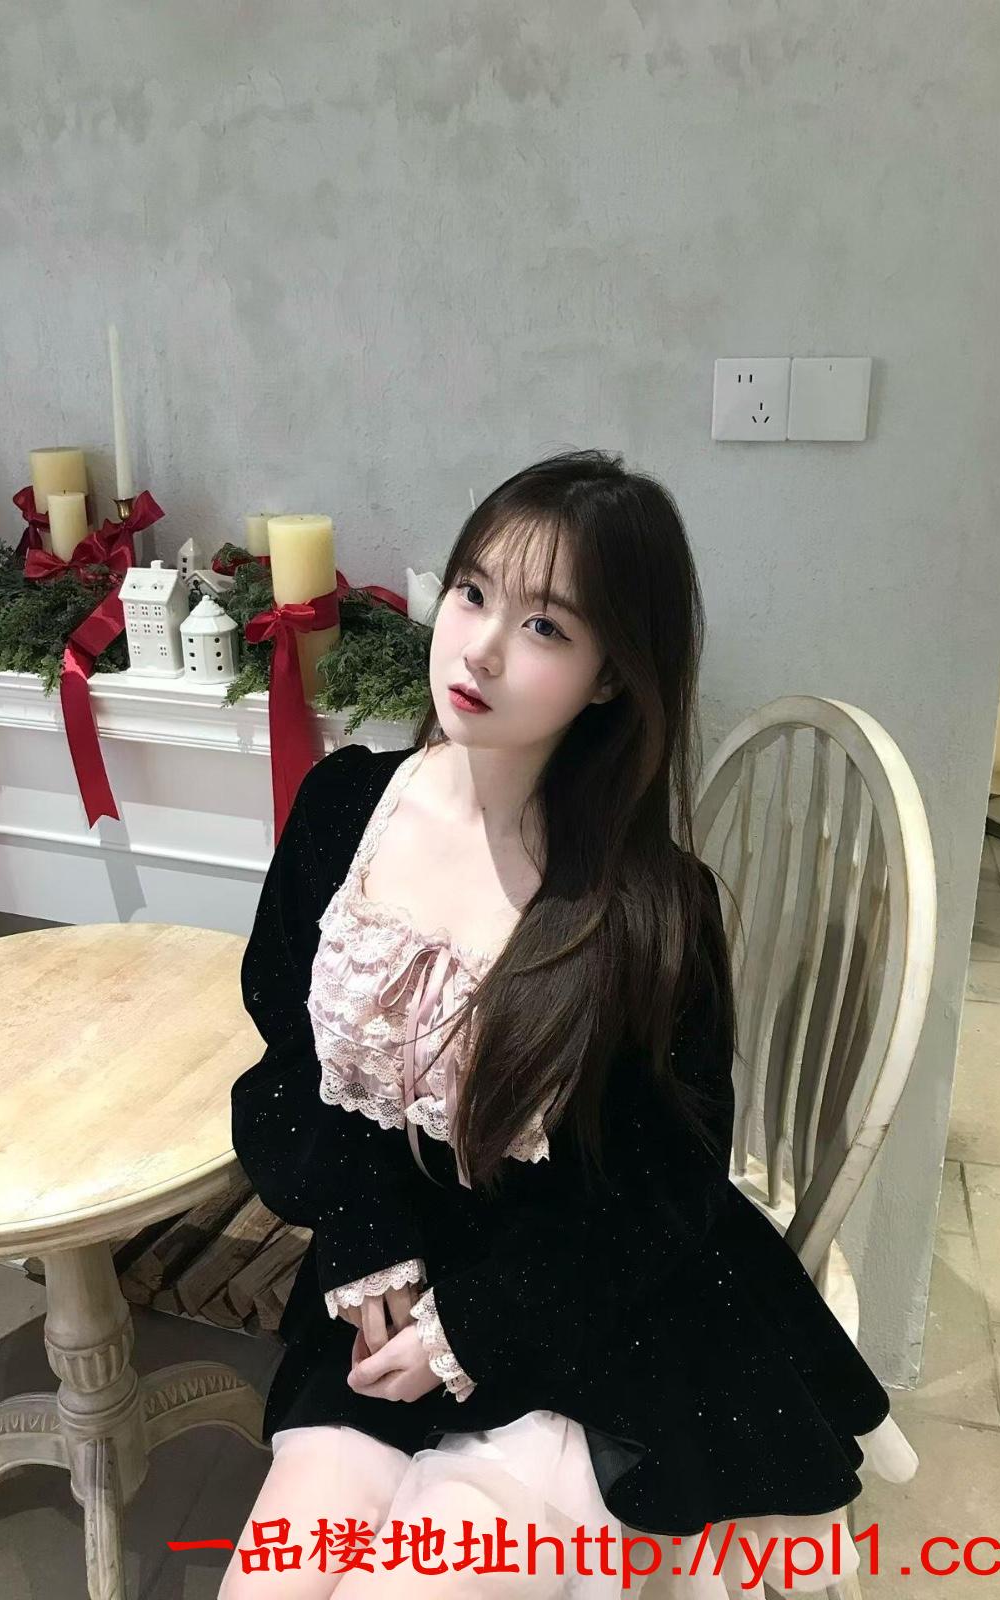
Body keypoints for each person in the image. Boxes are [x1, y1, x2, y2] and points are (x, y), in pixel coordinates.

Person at [220, 449, 918, 1599]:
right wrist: (363, 1233)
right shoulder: (345, 810)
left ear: (607, 678)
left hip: (589, 1316)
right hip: (394, 1282)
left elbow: (665, 1190)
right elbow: (293, 1064)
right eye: (472, 593)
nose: (481, 648)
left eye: (545, 626)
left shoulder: (649, 907)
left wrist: (473, 1325)